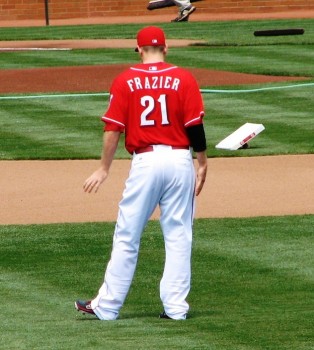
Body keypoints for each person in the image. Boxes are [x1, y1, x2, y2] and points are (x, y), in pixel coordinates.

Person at [75, 25, 207, 321]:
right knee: (178, 236)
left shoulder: (125, 80)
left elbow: (113, 130)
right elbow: (194, 125)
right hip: (179, 161)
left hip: (145, 163)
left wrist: (104, 168)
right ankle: (175, 309)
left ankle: (107, 306)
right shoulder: (184, 78)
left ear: (138, 49)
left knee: (128, 234)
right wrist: (202, 161)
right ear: (166, 48)